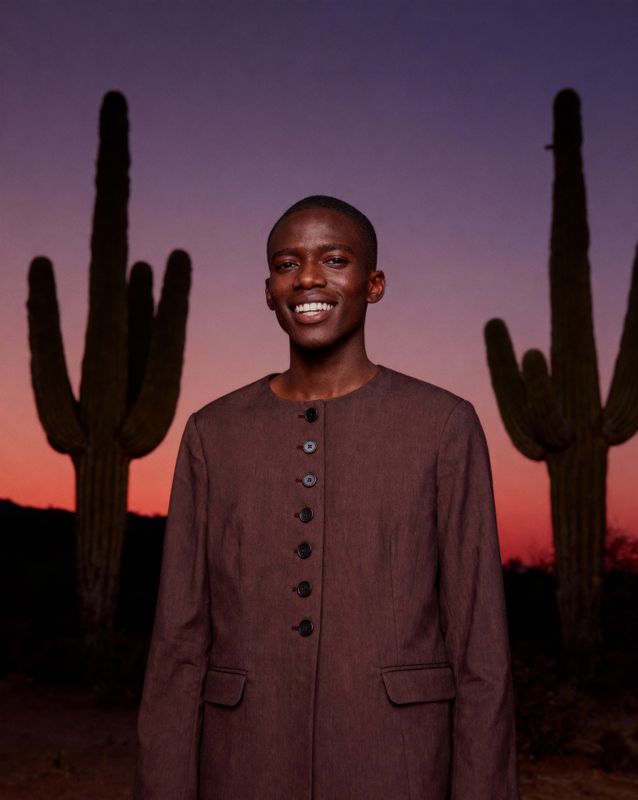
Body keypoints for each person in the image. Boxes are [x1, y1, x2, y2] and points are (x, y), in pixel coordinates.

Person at [133, 195, 519, 799]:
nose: (308, 278)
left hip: (398, 759)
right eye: (288, 264)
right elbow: (177, 642)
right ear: (268, 291)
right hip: (242, 761)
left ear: (374, 283)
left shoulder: (443, 424)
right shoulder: (213, 432)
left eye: (334, 259)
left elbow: (481, 647)